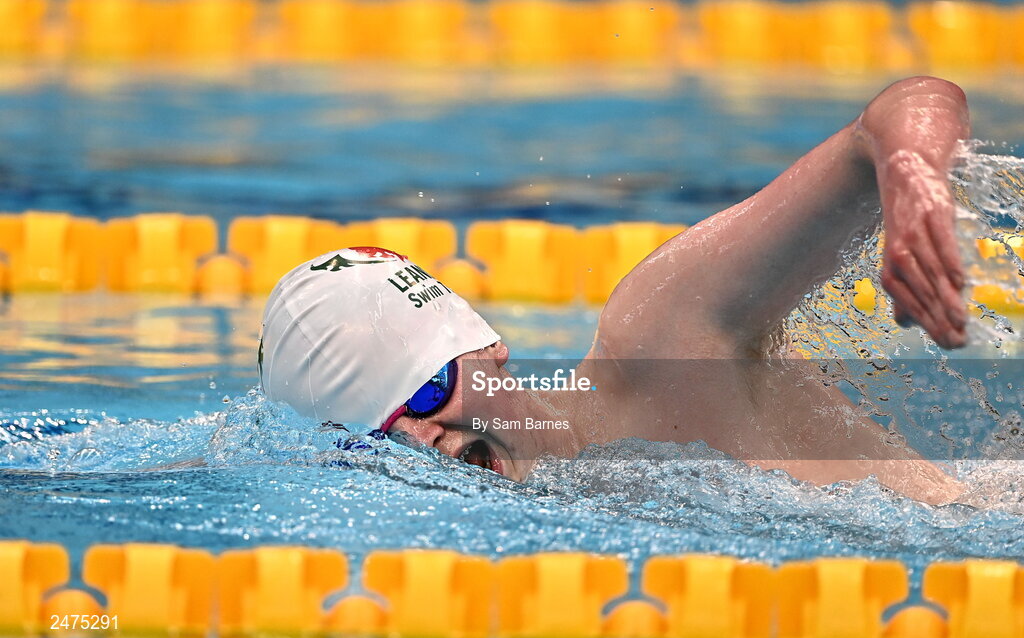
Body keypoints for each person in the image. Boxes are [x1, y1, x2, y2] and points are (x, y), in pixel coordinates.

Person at [259, 76, 970, 505]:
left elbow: (906, 106)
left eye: (424, 391)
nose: (425, 437)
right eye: (386, 433)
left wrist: (910, 173)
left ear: (490, 348)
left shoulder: (662, 341)